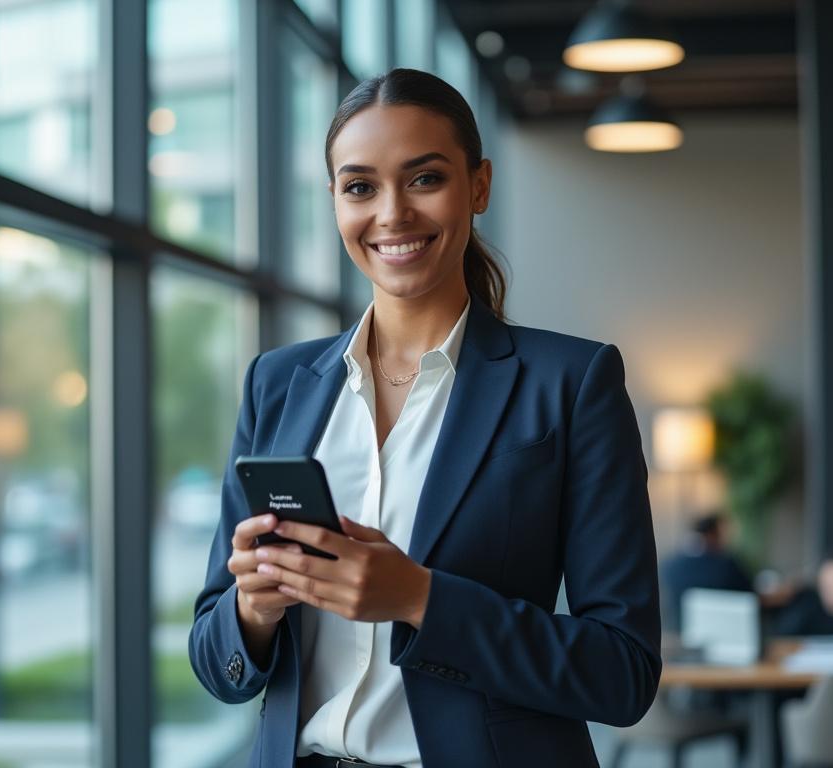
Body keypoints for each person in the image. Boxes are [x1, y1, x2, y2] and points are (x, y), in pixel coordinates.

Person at [188, 68, 661, 768]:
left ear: (479, 186)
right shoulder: (278, 383)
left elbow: (622, 674)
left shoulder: (572, 383)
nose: (391, 214)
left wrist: (421, 599)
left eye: (423, 179)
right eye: (360, 187)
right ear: (335, 202)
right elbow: (213, 656)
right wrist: (253, 612)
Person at [660, 513, 752, 633]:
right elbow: (750, 596)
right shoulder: (726, 565)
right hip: (727, 634)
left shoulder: (668, 565)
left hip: (679, 633)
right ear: (712, 535)